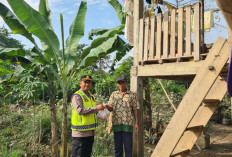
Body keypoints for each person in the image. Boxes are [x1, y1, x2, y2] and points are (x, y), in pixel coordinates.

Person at [71, 75, 105, 157]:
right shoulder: (77, 96)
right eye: (85, 82)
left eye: (89, 82)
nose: (87, 84)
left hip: (90, 132)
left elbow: (93, 111)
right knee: (78, 154)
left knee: (87, 154)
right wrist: (96, 108)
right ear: (80, 83)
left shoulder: (92, 97)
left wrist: (102, 114)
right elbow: (80, 110)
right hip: (80, 132)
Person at [105, 76, 139, 157]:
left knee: (128, 147)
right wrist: (106, 106)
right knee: (118, 148)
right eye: (119, 83)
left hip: (127, 124)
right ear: (117, 84)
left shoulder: (132, 95)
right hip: (117, 124)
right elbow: (110, 108)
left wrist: (137, 123)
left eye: (123, 82)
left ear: (126, 83)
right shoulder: (114, 94)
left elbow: (135, 109)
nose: (121, 84)